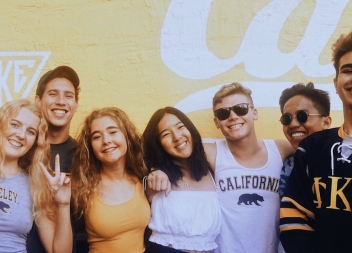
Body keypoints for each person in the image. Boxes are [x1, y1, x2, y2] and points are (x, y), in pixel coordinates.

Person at [147, 82, 294, 253]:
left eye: (240, 108)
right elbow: (170, 149)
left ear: (254, 112)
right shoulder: (210, 152)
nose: (232, 116)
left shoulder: (279, 149)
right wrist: (154, 169)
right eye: (223, 113)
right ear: (217, 122)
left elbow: (311, 147)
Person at [280, 32, 352, 253]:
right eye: (348, 70)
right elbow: (294, 221)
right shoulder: (311, 148)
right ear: (336, 82)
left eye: (302, 116)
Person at [0, 99, 72, 253]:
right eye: (15, 124)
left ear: (35, 142)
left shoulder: (35, 185)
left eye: (31, 132)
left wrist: (63, 204)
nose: (21, 135)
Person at [71, 107, 150, 253]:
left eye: (113, 132)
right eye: (96, 137)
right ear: (90, 146)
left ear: (127, 135)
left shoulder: (142, 176)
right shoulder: (82, 186)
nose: (106, 140)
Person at [142, 107, 221, 253]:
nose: (177, 136)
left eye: (180, 127)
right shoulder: (155, 178)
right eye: (166, 134)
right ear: (158, 144)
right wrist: (153, 170)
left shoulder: (211, 165)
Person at [28, 65, 85, 252]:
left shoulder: (85, 155)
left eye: (68, 96)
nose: (61, 101)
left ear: (76, 105)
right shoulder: (21, 148)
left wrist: (154, 171)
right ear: (38, 101)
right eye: (53, 94)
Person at [278, 82, 331, 198]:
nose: (293, 124)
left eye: (302, 116)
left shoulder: (342, 163)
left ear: (326, 122)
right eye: (286, 118)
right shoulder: (283, 166)